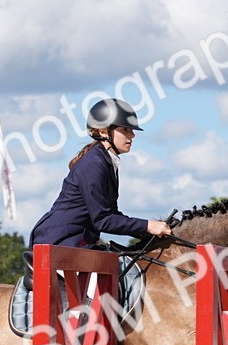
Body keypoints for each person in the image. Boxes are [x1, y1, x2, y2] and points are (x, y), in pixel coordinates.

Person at [24, 98, 172, 287]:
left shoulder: (107, 161)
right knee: (106, 284)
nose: (132, 135)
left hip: (78, 243)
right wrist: (147, 226)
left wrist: (150, 233)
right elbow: (103, 220)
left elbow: (112, 214)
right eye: (125, 130)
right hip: (60, 243)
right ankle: (81, 317)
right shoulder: (94, 164)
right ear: (104, 131)